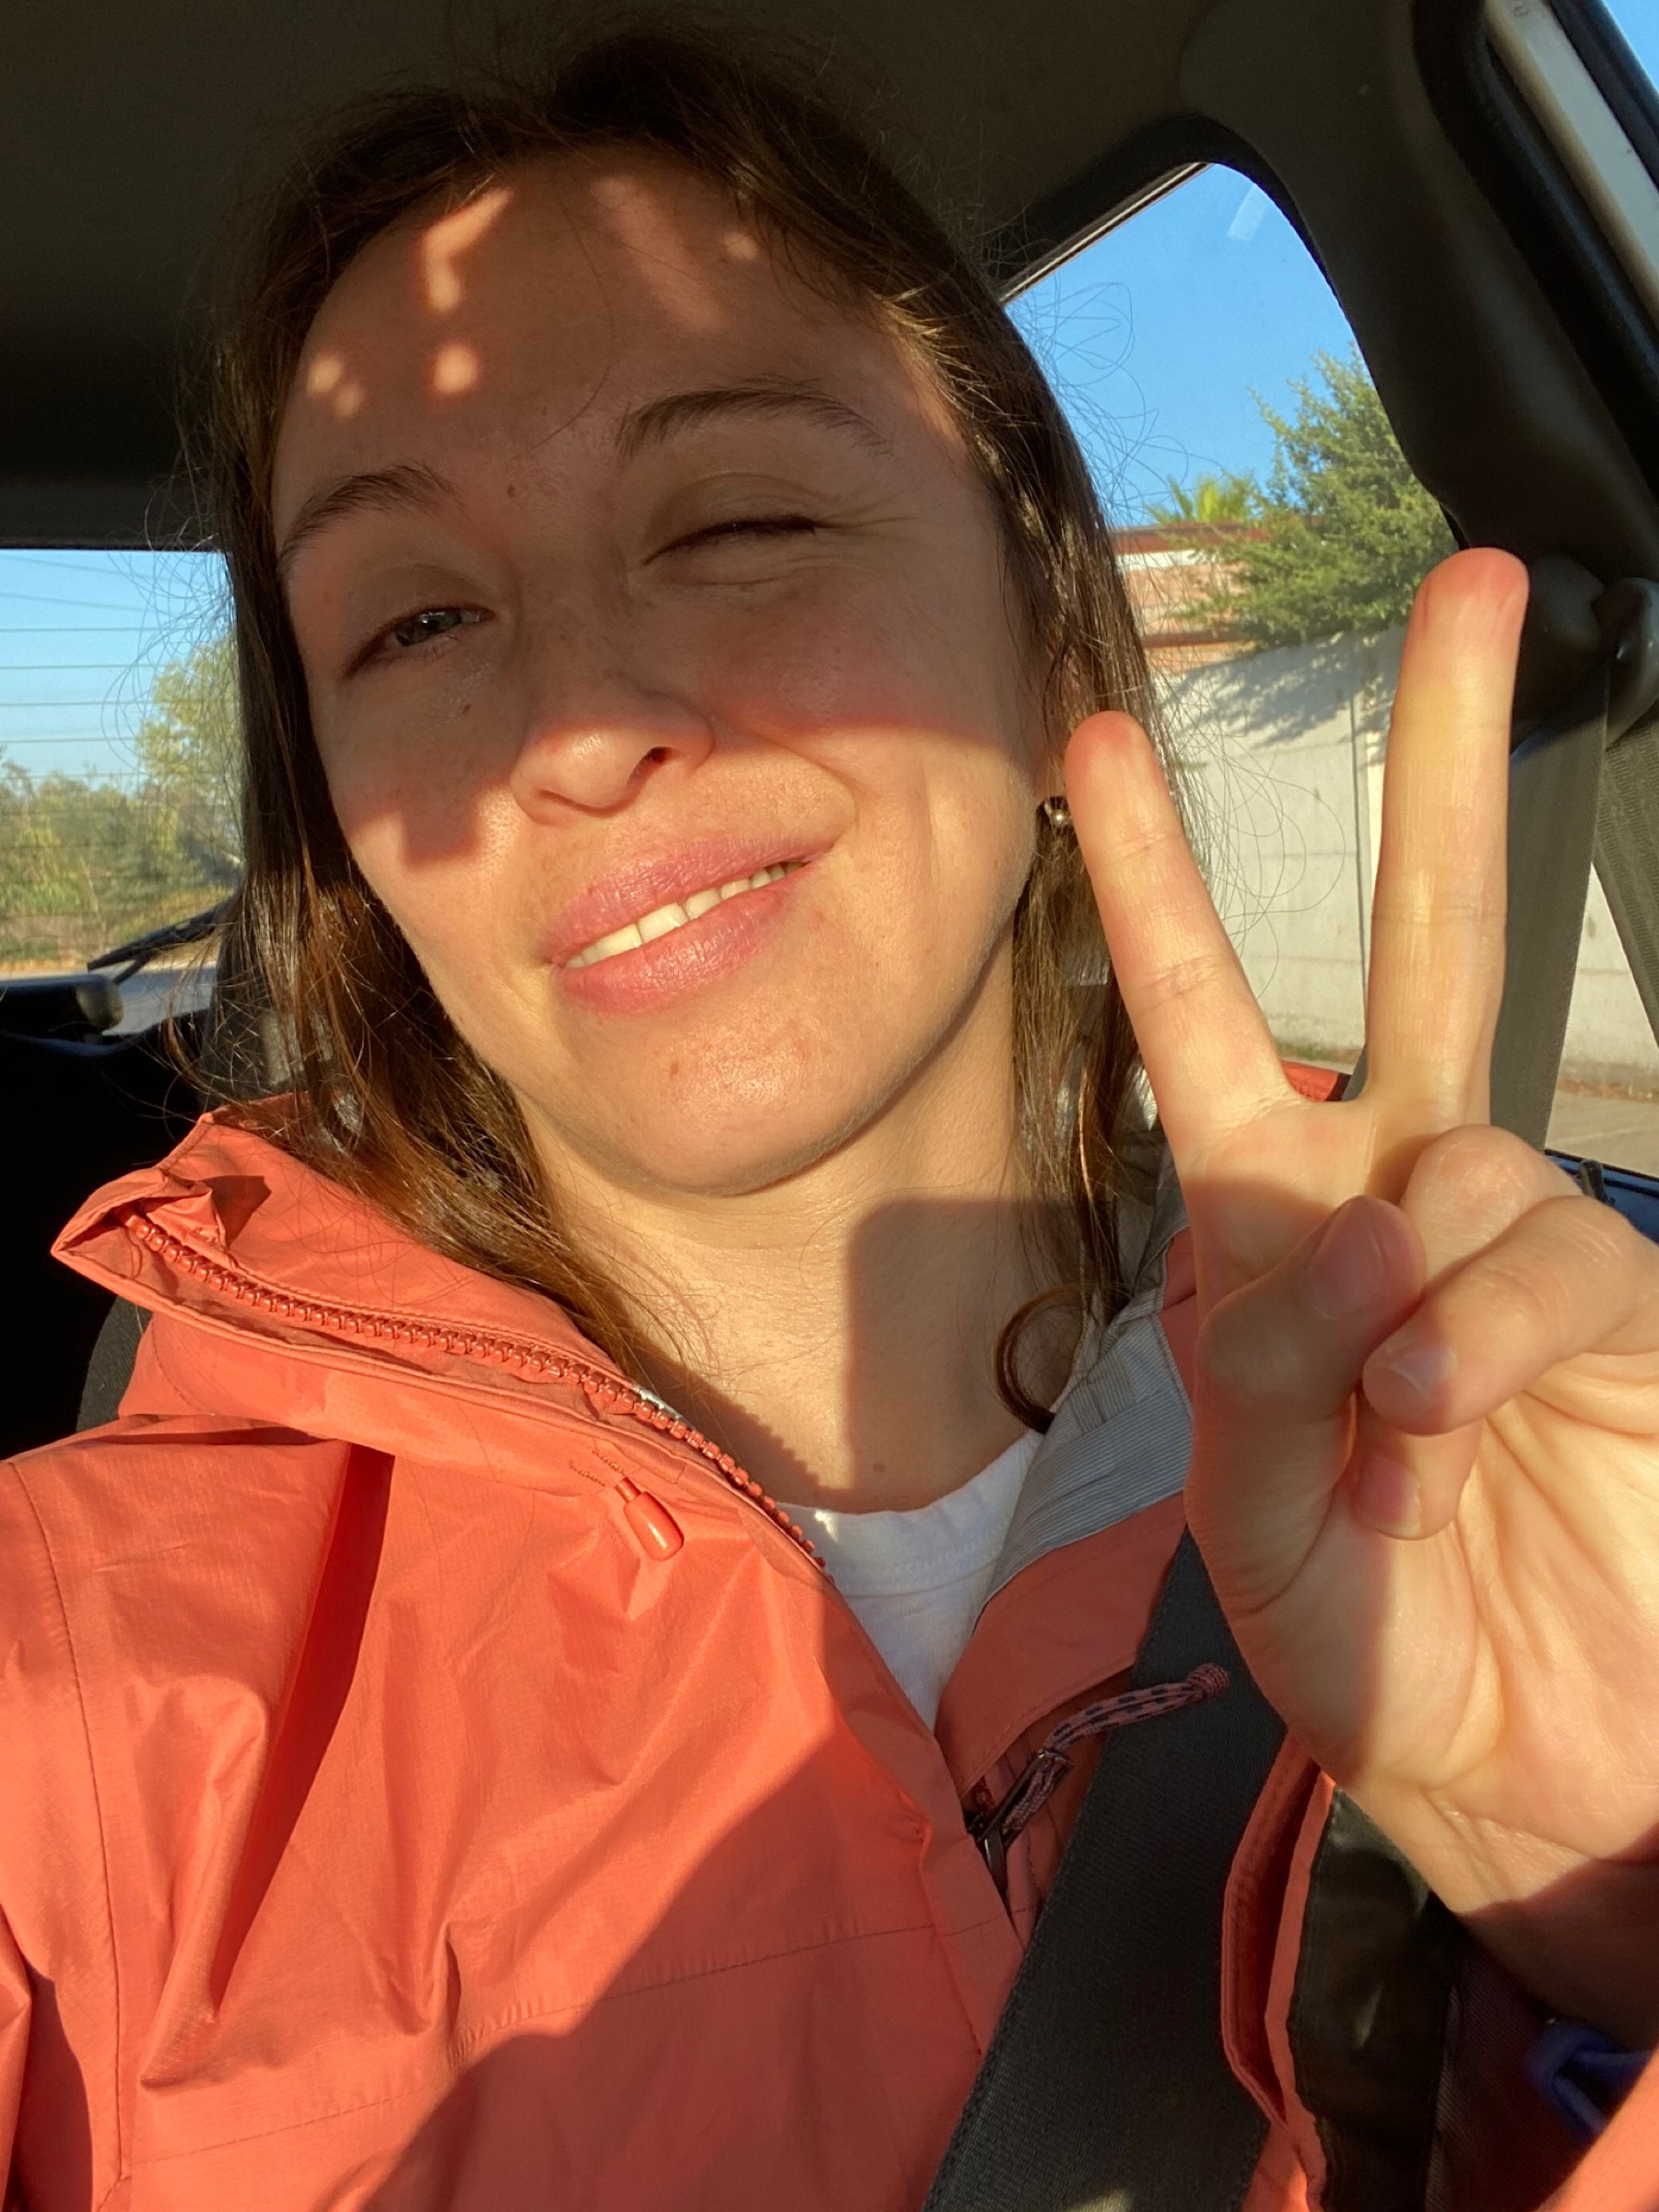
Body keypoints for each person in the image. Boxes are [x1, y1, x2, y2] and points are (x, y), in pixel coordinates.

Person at [1, 29, 1655, 2210]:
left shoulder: (1524, 1402)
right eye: (415, 621)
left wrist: (1612, 1898)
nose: (574, 730)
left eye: (742, 522)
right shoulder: (73, 1679)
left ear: (1043, 626)